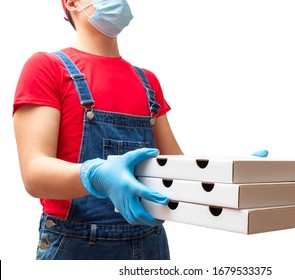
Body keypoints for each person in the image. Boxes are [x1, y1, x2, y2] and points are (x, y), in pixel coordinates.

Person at [13, 0, 183, 260]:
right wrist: (93, 175)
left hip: (151, 246)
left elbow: (178, 171)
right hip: (75, 247)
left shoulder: (148, 82)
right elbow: (34, 174)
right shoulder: (47, 68)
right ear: (71, 3)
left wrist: (235, 175)